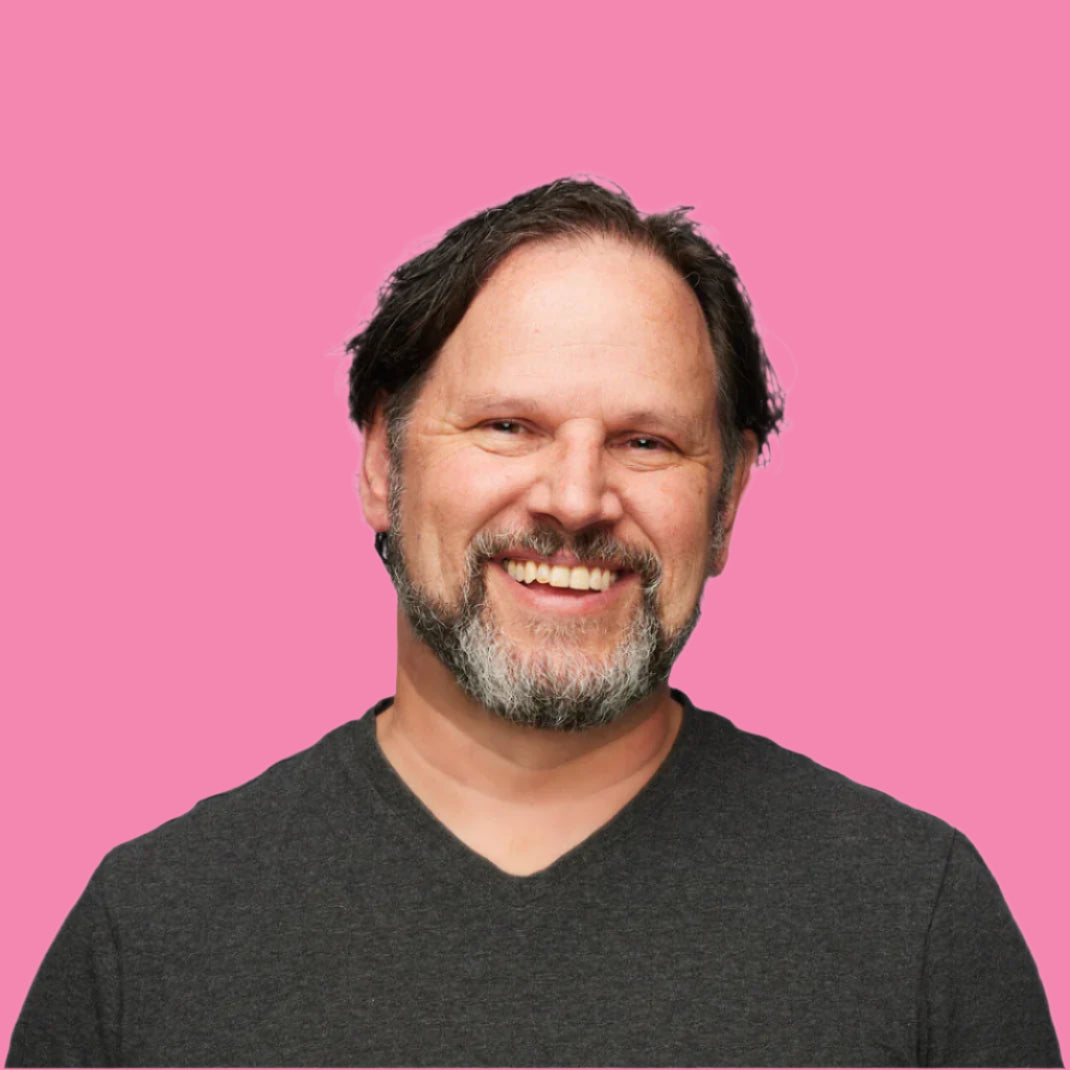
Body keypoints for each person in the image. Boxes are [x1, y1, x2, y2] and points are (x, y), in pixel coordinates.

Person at [7, 179, 1061, 1068]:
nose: (573, 496)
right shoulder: (149, 934)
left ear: (728, 498)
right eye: (508, 425)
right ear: (384, 460)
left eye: (645, 441)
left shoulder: (915, 920)